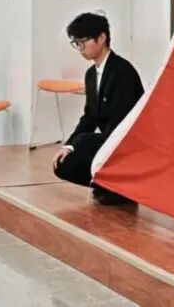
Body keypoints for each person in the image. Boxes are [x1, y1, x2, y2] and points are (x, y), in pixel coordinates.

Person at [52, 13, 145, 206]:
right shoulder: (91, 74)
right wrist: (68, 146)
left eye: (83, 42)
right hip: (108, 140)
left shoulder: (123, 72)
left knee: (84, 142)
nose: (80, 49)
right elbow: (89, 117)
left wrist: (82, 143)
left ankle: (119, 186)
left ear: (101, 38)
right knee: (63, 163)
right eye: (76, 43)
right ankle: (107, 186)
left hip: (127, 142)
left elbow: (121, 124)